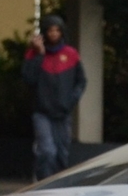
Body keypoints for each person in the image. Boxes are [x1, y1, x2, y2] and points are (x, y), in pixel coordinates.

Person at [21, 14, 87, 180]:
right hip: (42, 112)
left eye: (57, 30)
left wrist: (72, 100)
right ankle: (42, 181)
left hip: (63, 113)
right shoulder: (33, 54)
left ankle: (58, 186)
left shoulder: (70, 54)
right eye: (50, 30)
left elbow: (81, 81)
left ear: (62, 32)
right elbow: (28, 79)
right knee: (47, 151)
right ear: (44, 32)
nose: (54, 34)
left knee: (62, 154)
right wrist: (40, 54)